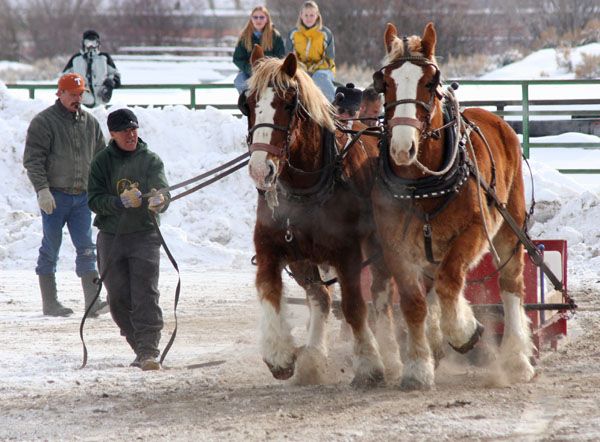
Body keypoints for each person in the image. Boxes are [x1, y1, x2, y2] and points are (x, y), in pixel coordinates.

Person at [87, 108, 170, 371]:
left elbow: (162, 190)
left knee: (145, 293)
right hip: (112, 237)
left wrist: (160, 200)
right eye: (125, 131)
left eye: (134, 129)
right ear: (112, 134)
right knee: (118, 297)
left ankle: (149, 350)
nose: (131, 134)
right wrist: (118, 202)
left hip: (145, 235)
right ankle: (138, 346)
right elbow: (94, 200)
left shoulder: (151, 160)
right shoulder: (101, 162)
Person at [23, 73, 108, 317]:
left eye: (81, 95)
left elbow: (101, 159)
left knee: (86, 249)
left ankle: (93, 303)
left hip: (82, 198)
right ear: (59, 93)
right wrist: (42, 190)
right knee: (51, 246)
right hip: (55, 198)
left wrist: (102, 189)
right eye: (72, 94)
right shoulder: (44, 122)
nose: (77, 99)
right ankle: (50, 303)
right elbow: (33, 160)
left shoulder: (90, 123)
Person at [287, 1, 336, 101]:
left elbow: (330, 58)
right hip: (300, 68)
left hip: (322, 69)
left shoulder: (325, 33)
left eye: (312, 15)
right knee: (296, 79)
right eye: (306, 15)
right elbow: (288, 57)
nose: (308, 18)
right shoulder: (294, 33)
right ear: (301, 15)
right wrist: (301, 67)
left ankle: (333, 106)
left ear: (317, 15)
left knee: (319, 77)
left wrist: (315, 68)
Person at [232, 5, 285, 94]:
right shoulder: (244, 36)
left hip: (270, 73)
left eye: (261, 17)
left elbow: (280, 57)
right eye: (255, 17)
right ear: (251, 19)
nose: (258, 20)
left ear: (267, 19)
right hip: (249, 72)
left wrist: (269, 70)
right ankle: (248, 104)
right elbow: (237, 59)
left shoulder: (275, 36)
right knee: (240, 80)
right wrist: (250, 70)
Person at [63, 30, 121, 108]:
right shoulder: (76, 59)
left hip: (101, 99)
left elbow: (115, 74)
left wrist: (110, 83)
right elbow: (64, 78)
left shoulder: (104, 57)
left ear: (98, 44)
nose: (91, 46)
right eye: (88, 43)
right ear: (83, 43)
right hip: (81, 100)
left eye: (93, 43)